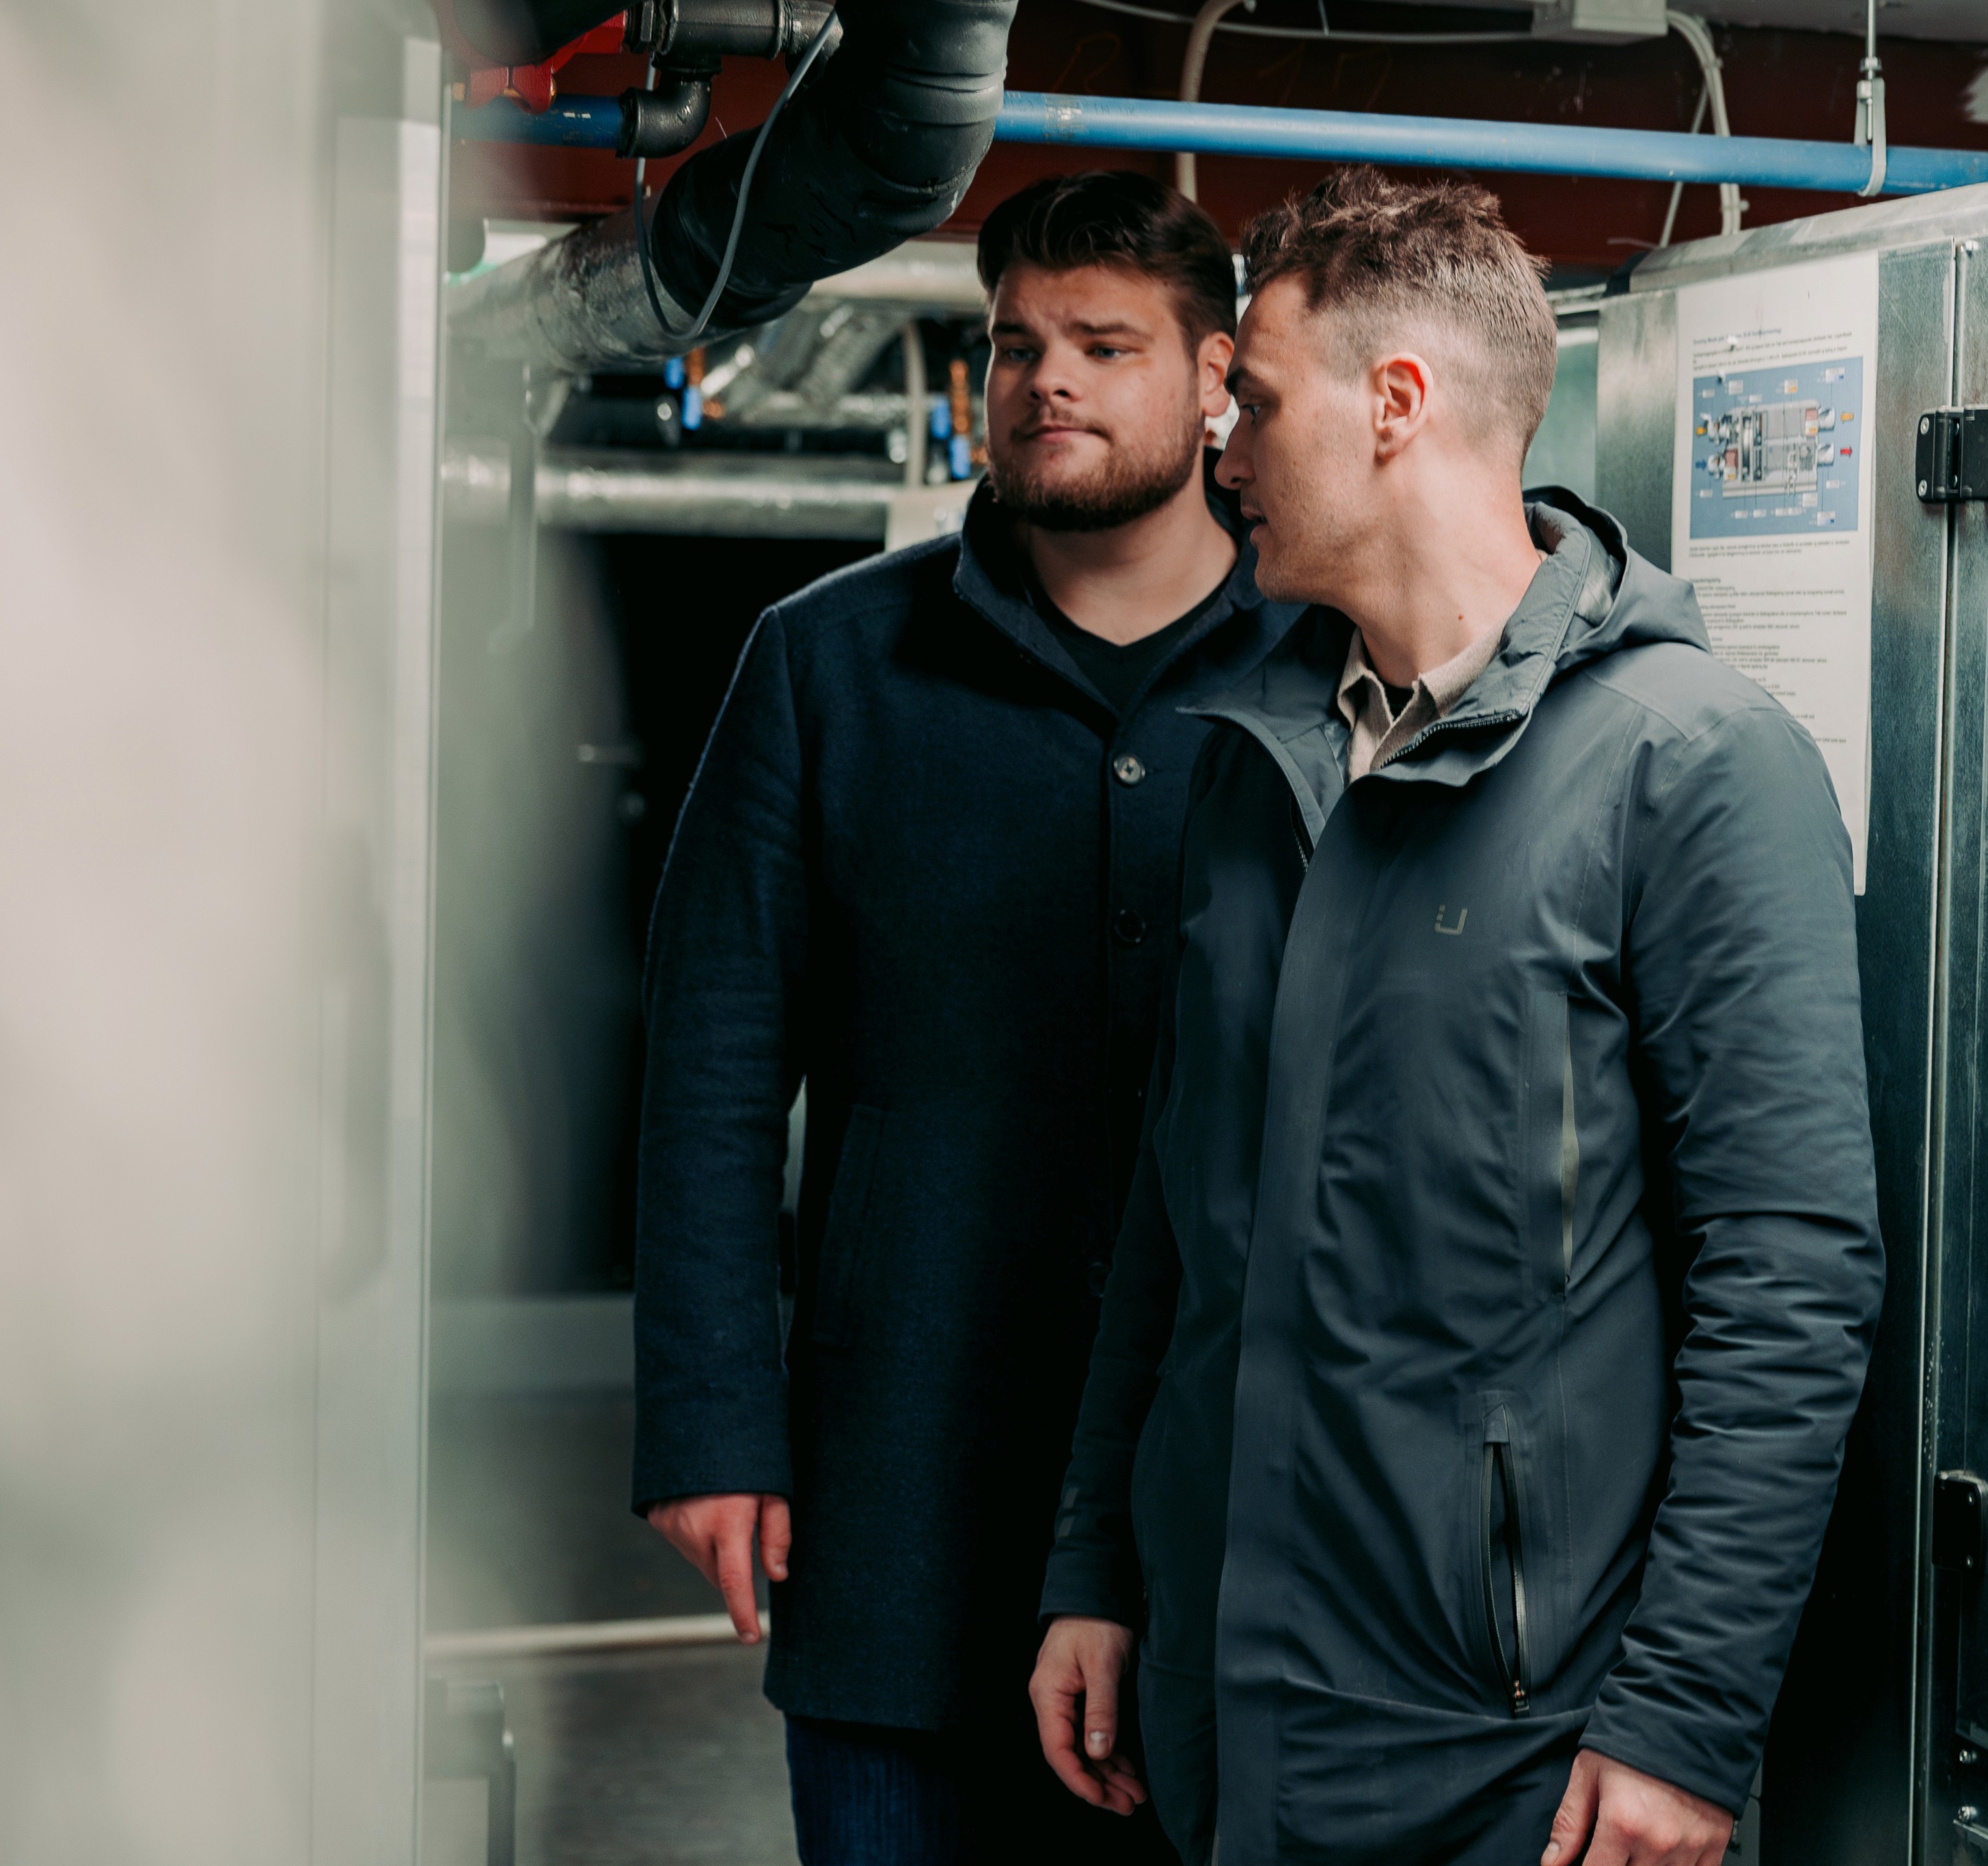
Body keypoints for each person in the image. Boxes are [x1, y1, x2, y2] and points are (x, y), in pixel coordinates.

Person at [1031, 166, 1883, 1866]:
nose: (1224, 453)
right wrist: (1094, 1569)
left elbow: (1787, 1277)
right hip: (1227, 1694)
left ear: (1394, 406)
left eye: (1253, 402)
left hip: (1515, 1750)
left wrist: (1683, 1721)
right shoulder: (1252, 757)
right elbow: (1168, 1216)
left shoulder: (1690, 766)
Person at [631, 170, 1296, 1863]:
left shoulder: (1318, 668)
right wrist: (711, 1426)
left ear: (1216, 375)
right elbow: (711, 1067)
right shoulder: (823, 665)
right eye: (1013, 345)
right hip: (899, 1487)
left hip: (1225, 1497)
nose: (1043, 381)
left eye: (1101, 342)